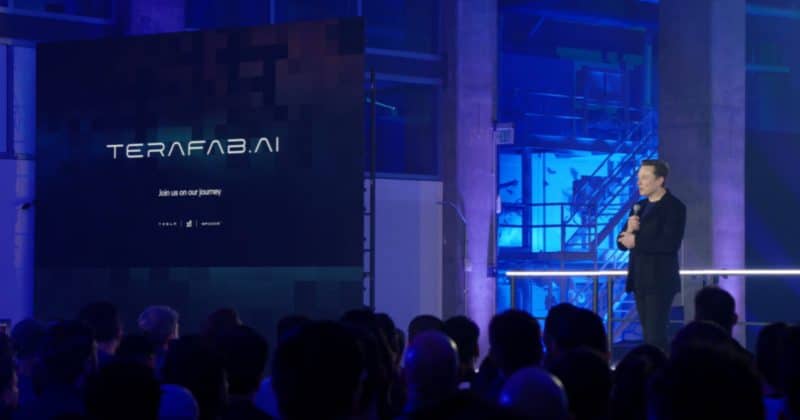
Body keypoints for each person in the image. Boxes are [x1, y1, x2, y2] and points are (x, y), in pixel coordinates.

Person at [617, 159, 686, 351]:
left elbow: (669, 243)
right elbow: (621, 243)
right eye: (638, 178)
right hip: (639, 279)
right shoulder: (639, 207)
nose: (639, 182)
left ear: (660, 180)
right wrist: (629, 230)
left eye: (645, 178)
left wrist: (636, 241)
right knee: (647, 334)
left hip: (660, 280)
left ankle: (661, 366)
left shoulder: (674, 207)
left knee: (655, 335)